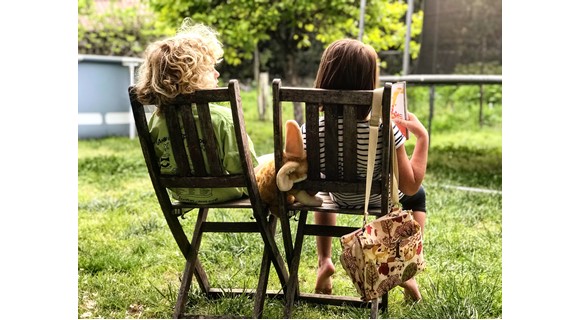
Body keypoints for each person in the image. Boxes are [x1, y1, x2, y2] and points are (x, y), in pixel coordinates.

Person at [304, 39, 429, 301]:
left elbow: (309, 181)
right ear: (369, 83)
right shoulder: (386, 129)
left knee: (324, 193)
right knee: (419, 196)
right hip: (376, 199)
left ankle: (325, 260)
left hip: (337, 197)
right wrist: (423, 138)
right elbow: (410, 185)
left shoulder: (311, 130)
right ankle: (406, 270)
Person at [133, 19, 261, 204]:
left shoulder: (156, 120)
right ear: (191, 77)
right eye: (210, 69)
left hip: (182, 193)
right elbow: (244, 168)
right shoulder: (223, 119)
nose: (217, 74)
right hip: (226, 191)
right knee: (269, 162)